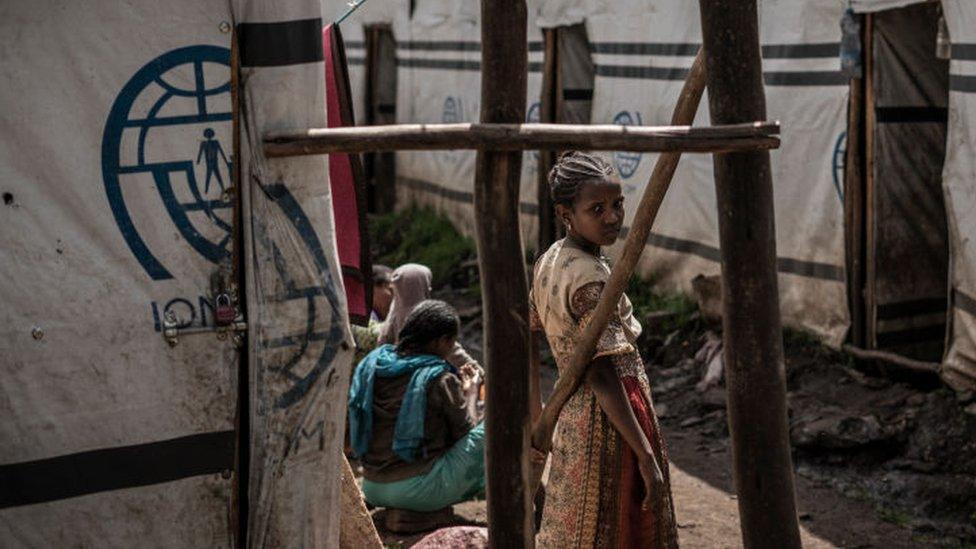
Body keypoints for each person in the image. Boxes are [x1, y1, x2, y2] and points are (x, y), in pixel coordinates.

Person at [530, 152, 678, 548]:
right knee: (618, 525)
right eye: (597, 209)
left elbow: (534, 327)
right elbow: (600, 373)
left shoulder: (550, 261)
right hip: (609, 419)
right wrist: (645, 455)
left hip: (577, 413)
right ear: (566, 213)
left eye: (617, 205)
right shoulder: (587, 276)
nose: (612, 217)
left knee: (580, 526)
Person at [348, 300, 485, 512]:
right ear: (441, 341)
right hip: (419, 491)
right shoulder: (439, 377)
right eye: (452, 342)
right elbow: (466, 434)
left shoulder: (373, 364)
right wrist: (471, 391)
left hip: (372, 486)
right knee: (494, 425)